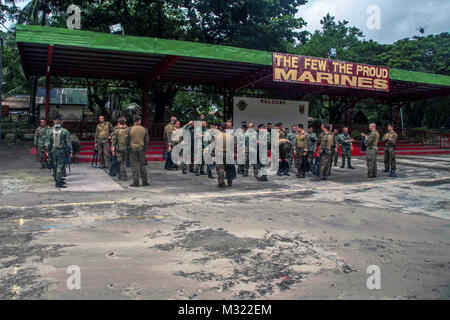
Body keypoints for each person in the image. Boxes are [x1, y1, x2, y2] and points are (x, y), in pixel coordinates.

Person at [45, 116, 72, 188]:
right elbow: (68, 142)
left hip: (53, 150)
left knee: (54, 165)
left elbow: (47, 142)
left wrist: (47, 151)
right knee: (60, 166)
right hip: (61, 151)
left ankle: (57, 179)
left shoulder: (50, 131)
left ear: (54, 121)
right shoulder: (65, 131)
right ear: (61, 122)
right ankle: (58, 182)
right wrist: (71, 151)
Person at [128, 115, 150, 187]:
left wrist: (129, 147)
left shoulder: (129, 129)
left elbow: (127, 139)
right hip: (141, 148)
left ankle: (136, 182)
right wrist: (145, 148)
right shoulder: (144, 129)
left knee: (134, 166)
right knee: (142, 165)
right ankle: (145, 181)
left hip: (132, 149)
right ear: (138, 121)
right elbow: (147, 140)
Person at [214, 122, 236, 188]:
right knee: (229, 167)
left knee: (220, 168)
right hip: (228, 153)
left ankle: (221, 183)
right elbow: (234, 146)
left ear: (220, 127)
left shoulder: (216, 135)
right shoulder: (230, 136)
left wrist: (212, 154)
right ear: (226, 128)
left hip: (219, 153)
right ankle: (230, 182)